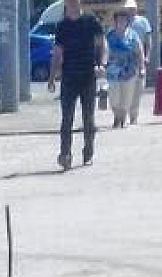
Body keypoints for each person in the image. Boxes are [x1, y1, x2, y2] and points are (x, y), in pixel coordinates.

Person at [47, 0, 106, 170]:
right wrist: (52, 78)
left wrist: (101, 64)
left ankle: (88, 149)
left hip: (88, 76)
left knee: (88, 118)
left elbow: (102, 44)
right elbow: (58, 53)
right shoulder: (62, 26)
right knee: (67, 119)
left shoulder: (91, 22)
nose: (72, 3)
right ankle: (65, 154)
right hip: (69, 78)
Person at [105, 8, 145, 129]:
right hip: (113, 72)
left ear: (127, 22)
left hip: (130, 71)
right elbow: (104, 51)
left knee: (127, 96)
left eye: (124, 20)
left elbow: (139, 52)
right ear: (115, 21)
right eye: (119, 20)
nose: (121, 22)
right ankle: (117, 115)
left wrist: (141, 67)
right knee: (114, 97)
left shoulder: (133, 35)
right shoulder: (109, 35)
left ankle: (121, 118)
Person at [127, 0, 152, 123]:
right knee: (125, 88)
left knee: (138, 88)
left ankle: (133, 117)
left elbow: (148, 40)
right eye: (128, 8)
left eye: (132, 8)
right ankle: (124, 114)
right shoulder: (122, 21)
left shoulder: (143, 21)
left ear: (136, 9)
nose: (130, 11)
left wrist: (147, 55)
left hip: (139, 59)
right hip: (125, 60)